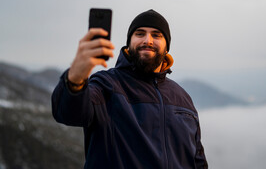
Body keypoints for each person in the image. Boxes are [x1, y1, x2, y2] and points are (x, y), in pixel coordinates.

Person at [52, 9, 208, 169]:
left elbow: (198, 160)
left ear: (166, 46)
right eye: (140, 34)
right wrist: (75, 77)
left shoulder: (183, 98)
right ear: (129, 43)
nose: (148, 40)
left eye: (156, 35)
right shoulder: (107, 85)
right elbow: (69, 113)